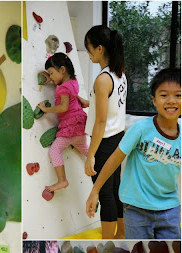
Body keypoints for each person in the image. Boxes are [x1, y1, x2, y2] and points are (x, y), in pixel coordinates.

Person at [86, 68, 181, 239]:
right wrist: (95, 191)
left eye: (178, 95)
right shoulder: (140, 129)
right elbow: (113, 160)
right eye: (164, 95)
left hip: (169, 209)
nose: (171, 101)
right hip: (136, 209)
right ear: (154, 100)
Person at [81, 26, 128, 239]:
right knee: (115, 187)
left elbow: (100, 122)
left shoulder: (102, 79)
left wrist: (91, 155)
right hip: (118, 137)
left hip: (105, 140)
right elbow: (108, 107)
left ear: (100, 49)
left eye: (89, 49)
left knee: (104, 193)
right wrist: (87, 102)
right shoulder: (119, 73)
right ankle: (121, 234)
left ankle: (108, 241)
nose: (88, 54)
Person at [38, 53, 89, 193]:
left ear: (62, 70)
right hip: (79, 125)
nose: (51, 76)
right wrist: (80, 99)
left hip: (70, 126)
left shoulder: (62, 88)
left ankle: (62, 180)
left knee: (55, 150)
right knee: (86, 150)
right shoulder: (73, 82)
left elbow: (63, 107)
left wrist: (46, 109)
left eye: (52, 73)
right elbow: (69, 91)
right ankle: (102, 162)